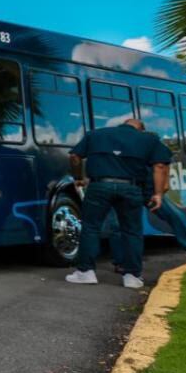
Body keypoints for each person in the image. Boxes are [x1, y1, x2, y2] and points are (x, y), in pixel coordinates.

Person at [66, 117, 171, 288]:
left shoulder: (96, 134)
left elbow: (74, 156)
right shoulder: (148, 139)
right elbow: (160, 166)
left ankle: (85, 272)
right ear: (140, 129)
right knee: (132, 231)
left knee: (91, 227)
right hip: (131, 188)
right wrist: (158, 194)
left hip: (99, 186)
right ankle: (132, 276)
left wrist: (78, 177)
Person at [108, 119, 186, 270]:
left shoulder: (144, 140)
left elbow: (163, 163)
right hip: (137, 189)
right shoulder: (137, 140)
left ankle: (122, 262)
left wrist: (162, 187)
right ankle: (122, 262)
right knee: (175, 216)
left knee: (119, 225)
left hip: (143, 189)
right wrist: (162, 187)